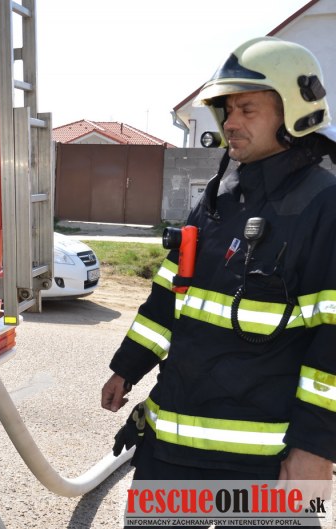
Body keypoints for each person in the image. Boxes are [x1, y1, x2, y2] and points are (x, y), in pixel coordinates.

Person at [101, 37, 336, 492]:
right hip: (171, 450)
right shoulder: (218, 197)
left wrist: (316, 450)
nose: (230, 123)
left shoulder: (325, 205)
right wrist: (127, 367)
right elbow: (169, 296)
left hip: (266, 467)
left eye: (247, 110)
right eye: (227, 111)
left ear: (294, 113)